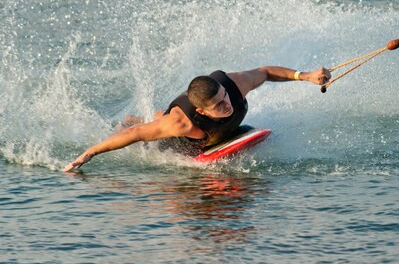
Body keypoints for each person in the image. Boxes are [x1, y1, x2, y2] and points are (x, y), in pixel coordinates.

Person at [64, 66, 331, 172]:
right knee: (146, 131)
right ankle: (131, 118)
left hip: (209, 131)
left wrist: (305, 76)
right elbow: (133, 137)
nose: (228, 105)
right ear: (203, 111)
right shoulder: (182, 123)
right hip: (183, 141)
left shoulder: (234, 84)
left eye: (226, 97)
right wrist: (89, 153)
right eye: (219, 105)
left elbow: (265, 71)